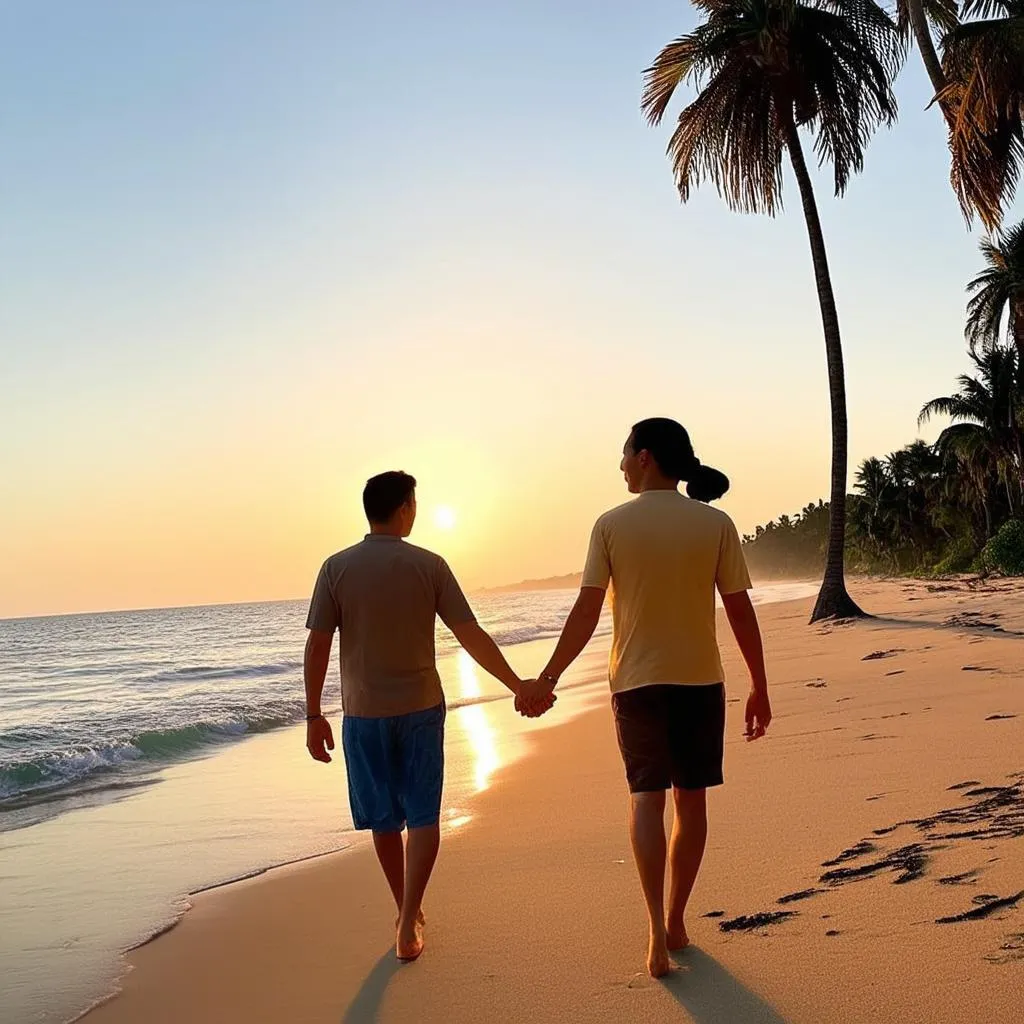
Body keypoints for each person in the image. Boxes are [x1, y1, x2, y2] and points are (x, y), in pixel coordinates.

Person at [523, 418, 771, 978]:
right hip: (700, 682)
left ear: (645, 457)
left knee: (645, 801)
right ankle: (677, 919)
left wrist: (548, 677)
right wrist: (758, 683)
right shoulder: (714, 523)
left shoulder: (610, 525)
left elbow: (587, 611)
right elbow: (738, 610)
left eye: (624, 453)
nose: (619, 464)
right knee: (692, 803)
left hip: (636, 684)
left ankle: (656, 933)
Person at [303, 471, 553, 962]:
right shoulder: (429, 565)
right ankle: (410, 915)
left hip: (364, 714)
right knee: (422, 815)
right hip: (419, 707)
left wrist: (314, 714)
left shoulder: (335, 568)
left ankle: (404, 912)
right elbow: (470, 634)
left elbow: (317, 644)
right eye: (413, 504)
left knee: (383, 819)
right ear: (404, 509)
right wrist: (517, 684)